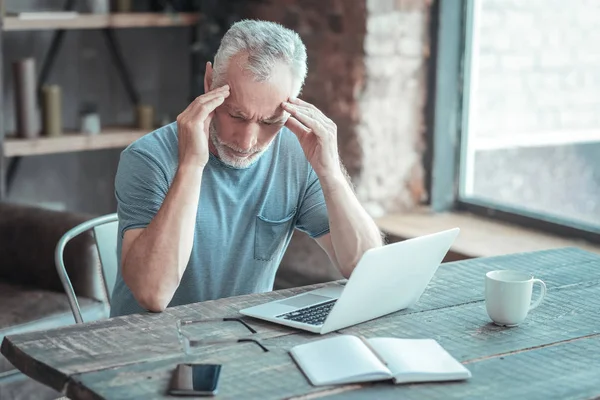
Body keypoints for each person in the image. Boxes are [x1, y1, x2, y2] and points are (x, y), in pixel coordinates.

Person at [110, 20, 383, 317]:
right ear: (209, 83)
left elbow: (365, 268)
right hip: (148, 346)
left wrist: (331, 174)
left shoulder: (297, 155)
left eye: (270, 122)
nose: (247, 141)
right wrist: (191, 165)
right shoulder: (148, 158)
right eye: (236, 115)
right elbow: (153, 294)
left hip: (244, 338)